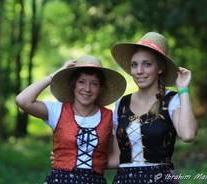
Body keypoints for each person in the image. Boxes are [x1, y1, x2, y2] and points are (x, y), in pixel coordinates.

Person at [15, 55, 126, 184]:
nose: (87, 89)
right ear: (73, 84)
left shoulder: (109, 117)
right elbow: (22, 100)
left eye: (94, 83)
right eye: (81, 81)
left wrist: (91, 162)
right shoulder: (56, 111)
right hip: (60, 180)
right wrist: (55, 75)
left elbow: (116, 157)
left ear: (100, 88)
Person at [109, 32, 198, 184]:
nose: (139, 71)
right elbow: (116, 158)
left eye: (147, 64)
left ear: (160, 68)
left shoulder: (172, 100)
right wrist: (68, 158)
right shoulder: (121, 103)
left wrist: (183, 89)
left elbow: (188, 134)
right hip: (124, 180)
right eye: (134, 65)